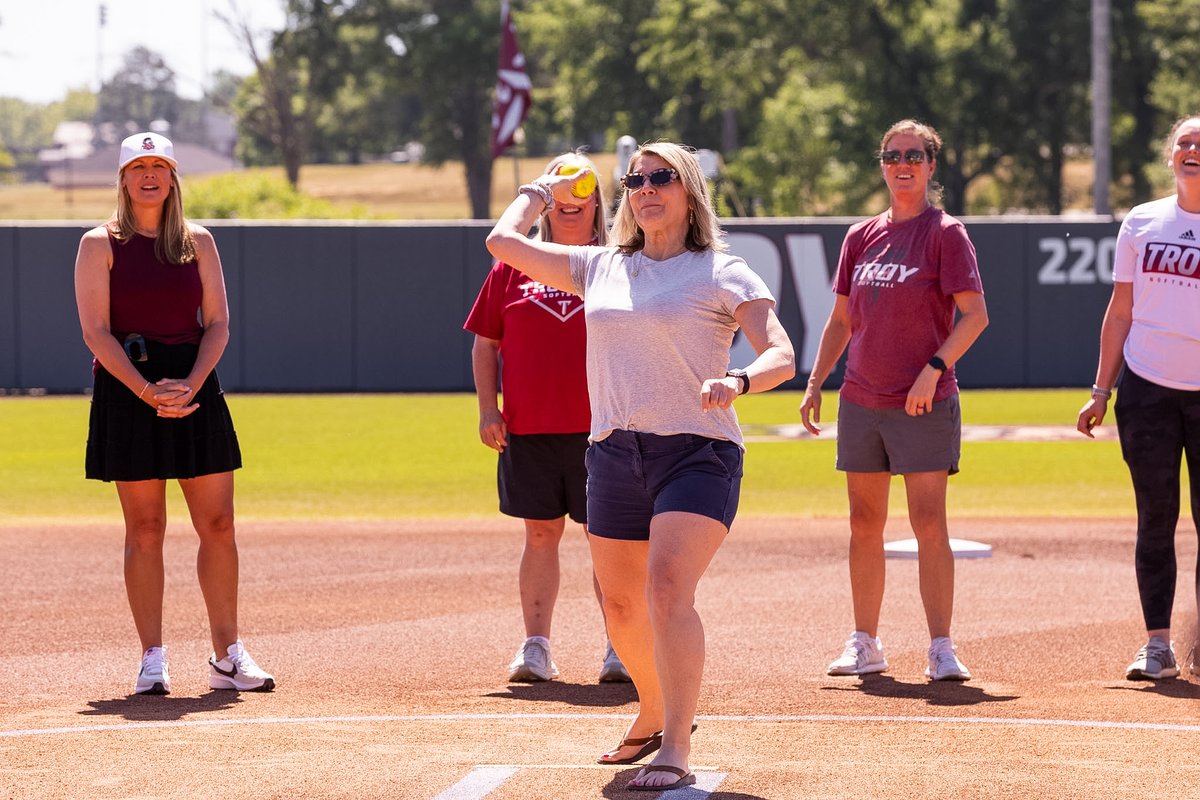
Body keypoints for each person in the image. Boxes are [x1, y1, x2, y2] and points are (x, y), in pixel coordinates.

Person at [486, 142, 795, 791]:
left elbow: (781, 354)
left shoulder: (721, 269)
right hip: (613, 454)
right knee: (623, 609)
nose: (647, 188)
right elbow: (501, 243)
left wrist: (738, 380)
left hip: (698, 451)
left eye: (663, 177)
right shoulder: (600, 265)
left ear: (689, 193)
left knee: (666, 588)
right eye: (636, 179)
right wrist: (539, 194)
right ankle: (652, 710)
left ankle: (676, 743)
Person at [73, 131, 274, 696]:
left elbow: (218, 323)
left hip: (194, 385)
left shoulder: (199, 241)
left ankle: (228, 655)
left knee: (218, 525)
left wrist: (190, 383)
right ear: (123, 178)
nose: (149, 175)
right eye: (139, 166)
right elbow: (95, 331)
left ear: (173, 176)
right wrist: (143, 390)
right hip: (128, 387)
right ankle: (153, 658)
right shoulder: (98, 242)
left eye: (159, 165)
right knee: (146, 529)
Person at [800, 119, 989, 682]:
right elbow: (840, 320)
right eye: (891, 155)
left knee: (929, 523)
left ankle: (941, 646)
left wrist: (934, 369)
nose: (901, 163)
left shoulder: (945, 233)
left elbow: (975, 315)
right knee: (864, 522)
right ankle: (865, 641)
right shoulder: (860, 236)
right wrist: (816, 382)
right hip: (861, 397)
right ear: (882, 165)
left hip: (922, 402)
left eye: (913, 154)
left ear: (931, 165)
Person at [464, 153, 629, 684]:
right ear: (545, 201)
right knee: (539, 534)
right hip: (529, 426)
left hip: (601, 426)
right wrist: (490, 408)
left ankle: (620, 647)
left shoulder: (616, 261)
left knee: (606, 537)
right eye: (560, 189)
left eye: (583, 190)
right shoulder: (515, 264)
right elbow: (486, 343)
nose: (571, 201)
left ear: (597, 202)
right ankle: (536, 646)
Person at [1077, 115, 1200, 681]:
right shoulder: (1142, 221)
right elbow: (1120, 311)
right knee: (1156, 518)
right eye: (1185, 142)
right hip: (1147, 388)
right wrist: (1101, 389)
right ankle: (1158, 645)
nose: (1193, 150)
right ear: (1170, 154)